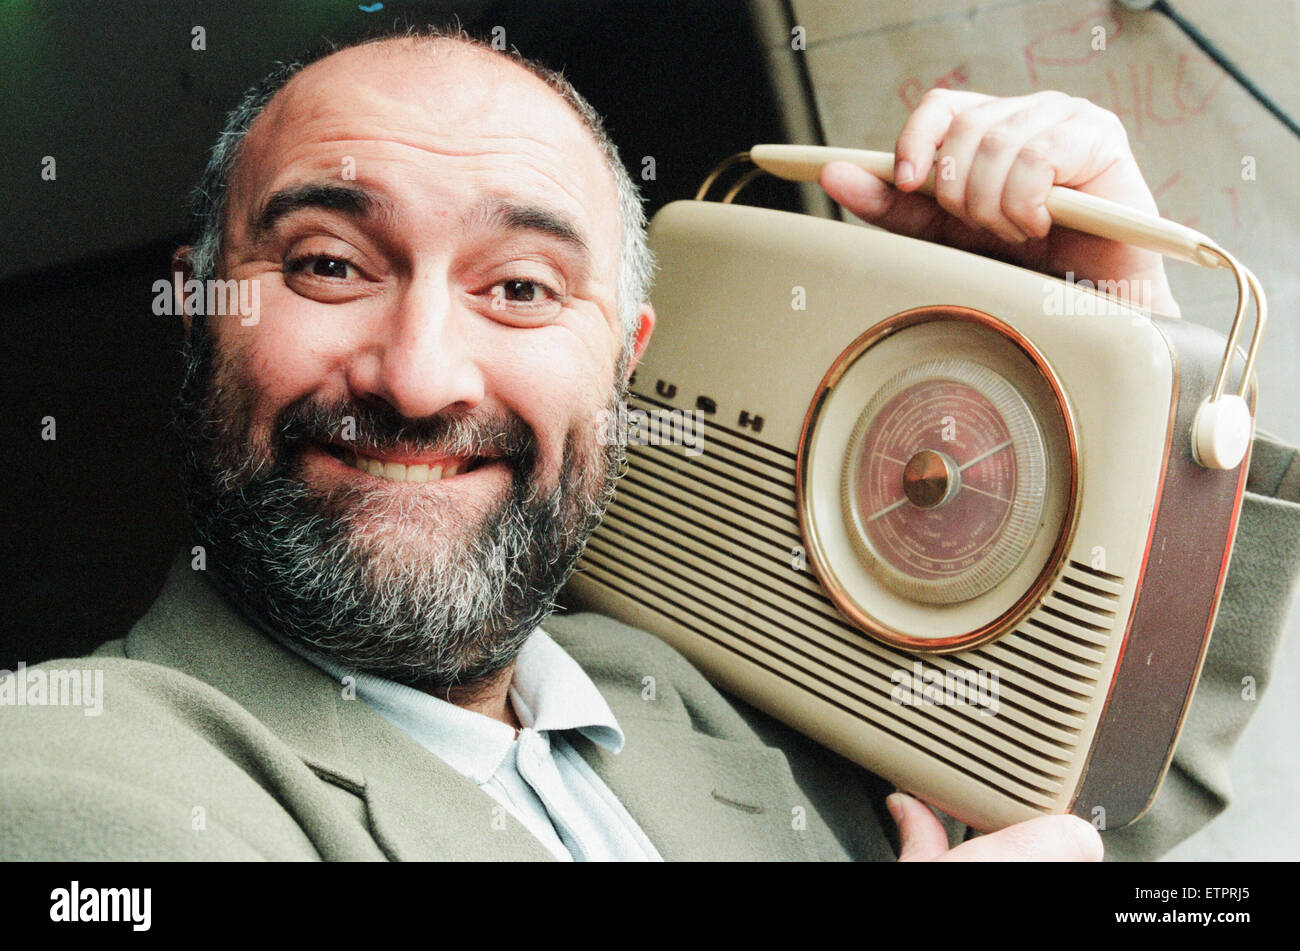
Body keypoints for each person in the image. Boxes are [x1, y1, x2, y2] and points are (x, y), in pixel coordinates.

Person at [1, 26, 1296, 862]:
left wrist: (1117, 328)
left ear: (628, 358)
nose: (420, 375)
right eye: (332, 264)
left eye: (520, 289)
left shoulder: (702, 693)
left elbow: (1099, 794)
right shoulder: (74, 778)